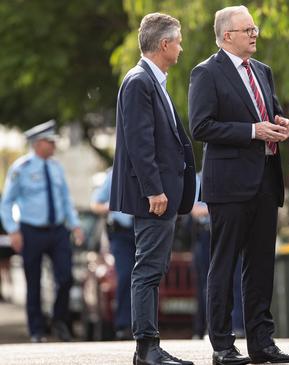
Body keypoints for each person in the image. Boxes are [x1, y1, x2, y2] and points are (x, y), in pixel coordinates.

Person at [188, 5, 289, 365]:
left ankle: (262, 343)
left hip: (266, 182)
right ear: (227, 36)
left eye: (255, 29)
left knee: (261, 266)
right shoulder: (206, 73)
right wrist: (252, 131)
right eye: (247, 29)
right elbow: (201, 127)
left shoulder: (262, 71)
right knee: (223, 266)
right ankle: (222, 344)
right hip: (229, 186)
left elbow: (270, 112)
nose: (255, 34)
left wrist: (282, 124)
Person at [109, 12, 196, 365]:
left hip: (162, 195)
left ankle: (151, 346)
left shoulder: (150, 80)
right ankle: (146, 348)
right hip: (155, 198)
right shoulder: (139, 81)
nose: (180, 47)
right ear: (164, 44)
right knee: (148, 269)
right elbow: (140, 144)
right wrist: (154, 190)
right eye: (177, 41)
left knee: (153, 268)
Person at [0, 120, 84, 343]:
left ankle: (59, 320)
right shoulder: (21, 168)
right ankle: (36, 330)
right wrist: (13, 230)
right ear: (38, 144)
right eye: (50, 141)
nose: (54, 145)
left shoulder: (56, 167)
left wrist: (74, 224)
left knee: (66, 278)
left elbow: (65, 198)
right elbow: (7, 202)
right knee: (33, 281)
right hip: (31, 230)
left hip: (57, 230)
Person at [190, 173, 244, 340]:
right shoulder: (199, 178)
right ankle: (210, 327)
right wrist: (221, 208)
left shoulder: (232, 175)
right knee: (210, 282)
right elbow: (195, 210)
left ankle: (238, 326)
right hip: (207, 235)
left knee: (236, 281)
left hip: (231, 231)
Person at [90, 167, 135, 341]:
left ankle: (146, 323)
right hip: (122, 234)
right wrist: (116, 204)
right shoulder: (114, 173)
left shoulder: (152, 167)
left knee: (148, 276)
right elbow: (95, 204)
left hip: (145, 230)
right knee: (125, 275)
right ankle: (124, 325)